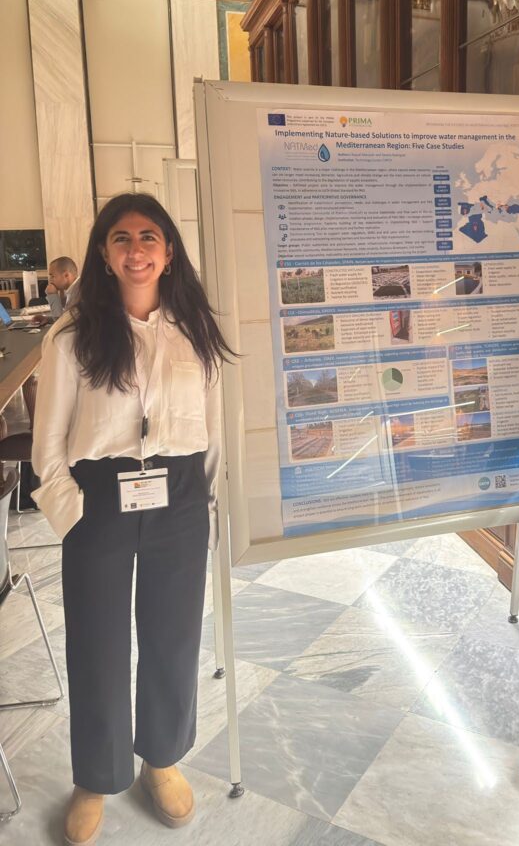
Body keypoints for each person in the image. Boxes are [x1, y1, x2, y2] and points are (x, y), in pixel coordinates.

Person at [32, 194, 232, 845]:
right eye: (121, 238)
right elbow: (48, 442)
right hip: (100, 498)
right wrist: (71, 513)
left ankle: (162, 759)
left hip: (180, 494)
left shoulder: (196, 328)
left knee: (174, 637)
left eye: (149, 237)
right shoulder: (72, 335)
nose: (136, 249)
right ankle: (96, 776)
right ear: (104, 253)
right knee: (97, 644)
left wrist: (206, 500)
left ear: (169, 251)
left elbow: (215, 425)